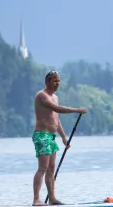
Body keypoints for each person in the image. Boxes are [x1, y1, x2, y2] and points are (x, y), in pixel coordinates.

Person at [32, 70, 87, 206]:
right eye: (54, 80)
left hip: (51, 136)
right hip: (41, 135)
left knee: (51, 168)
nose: (57, 83)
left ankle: (52, 198)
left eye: (59, 80)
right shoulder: (42, 95)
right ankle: (36, 199)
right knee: (43, 168)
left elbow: (56, 119)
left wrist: (63, 138)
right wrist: (76, 110)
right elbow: (57, 109)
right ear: (47, 82)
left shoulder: (55, 97)